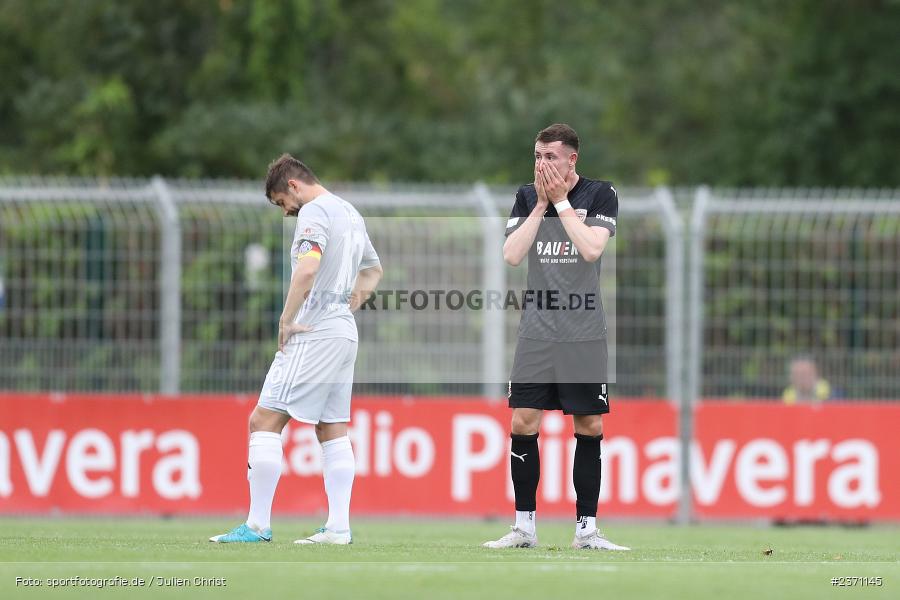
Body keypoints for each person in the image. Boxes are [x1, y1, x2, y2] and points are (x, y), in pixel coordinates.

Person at [210, 154, 382, 544]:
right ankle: (339, 527)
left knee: (264, 420)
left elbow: (307, 268)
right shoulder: (350, 212)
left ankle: (256, 525)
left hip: (314, 329)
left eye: (280, 202)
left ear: (292, 185)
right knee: (331, 427)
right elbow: (374, 270)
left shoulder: (315, 212)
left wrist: (287, 319)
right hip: (343, 330)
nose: (285, 212)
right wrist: (348, 301)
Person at [484, 124, 629, 551]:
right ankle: (524, 526)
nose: (542, 164)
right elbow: (511, 255)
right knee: (523, 421)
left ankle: (587, 530)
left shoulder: (601, 194)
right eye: (537, 155)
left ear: (572, 160)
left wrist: (562, 202)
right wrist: (541, 205)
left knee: (588, 424)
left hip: (583, 333)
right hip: (536, 331)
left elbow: (591, 249)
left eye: (550, 156)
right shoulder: (527, 196)